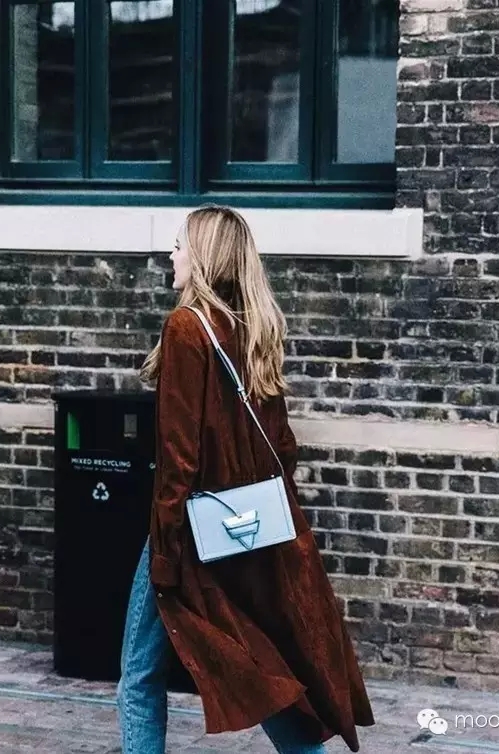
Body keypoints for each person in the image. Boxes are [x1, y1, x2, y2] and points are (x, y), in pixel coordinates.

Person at [117, 205, 375, 753]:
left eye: (180, 245)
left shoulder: (187, 327)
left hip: (189, 531)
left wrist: (165, 553)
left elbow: (179, 459)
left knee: (138, 678)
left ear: (204, 257)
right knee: (260, 672)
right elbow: (283, 446)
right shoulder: (255, 329)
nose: (171, 255)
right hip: (248, 530)